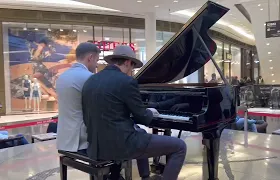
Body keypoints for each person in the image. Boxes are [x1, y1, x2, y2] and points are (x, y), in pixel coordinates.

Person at [82, 45, 187, 180]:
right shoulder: (126, 81)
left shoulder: (91, 80)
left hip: (95, 146)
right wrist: (150, 112)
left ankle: (145, 177)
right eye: (132, 67)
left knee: (140, 132)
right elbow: (143, 117)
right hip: (121, 145)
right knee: (180, 146)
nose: (131, 71)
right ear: (127, 62)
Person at [56, 42, 124, 180]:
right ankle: (113, 177)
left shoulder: (62, 77)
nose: (97, 65)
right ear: (90, 57)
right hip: (81, 140)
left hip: (64, 138)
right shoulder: (89, 78)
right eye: (97, 60)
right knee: (121, 141)